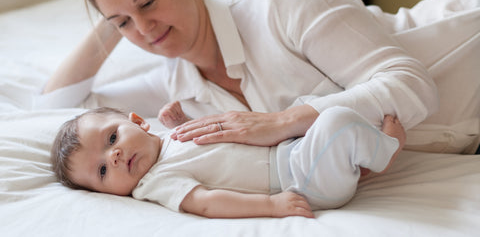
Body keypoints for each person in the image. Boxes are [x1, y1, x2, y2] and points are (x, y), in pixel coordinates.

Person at [38, 0, 480, 154]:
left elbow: (411, 85)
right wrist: (114, 8)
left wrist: (283, 122)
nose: (145, 29)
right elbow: (56, 109)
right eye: (123, 24)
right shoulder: (175, 86)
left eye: (150, 1)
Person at [51, 102, 405, 218]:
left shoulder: (167, 140)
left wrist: (180, 123)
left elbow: (209, 143)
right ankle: (383, 154)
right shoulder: (153, 182)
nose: (113, 156)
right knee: (336, 120)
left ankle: (359, 167)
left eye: (112, 138)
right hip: (298, 181)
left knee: (321, 118)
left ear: (139, 122)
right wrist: (271, 205)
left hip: (291, 152)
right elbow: (205, 202)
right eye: (101, 170)